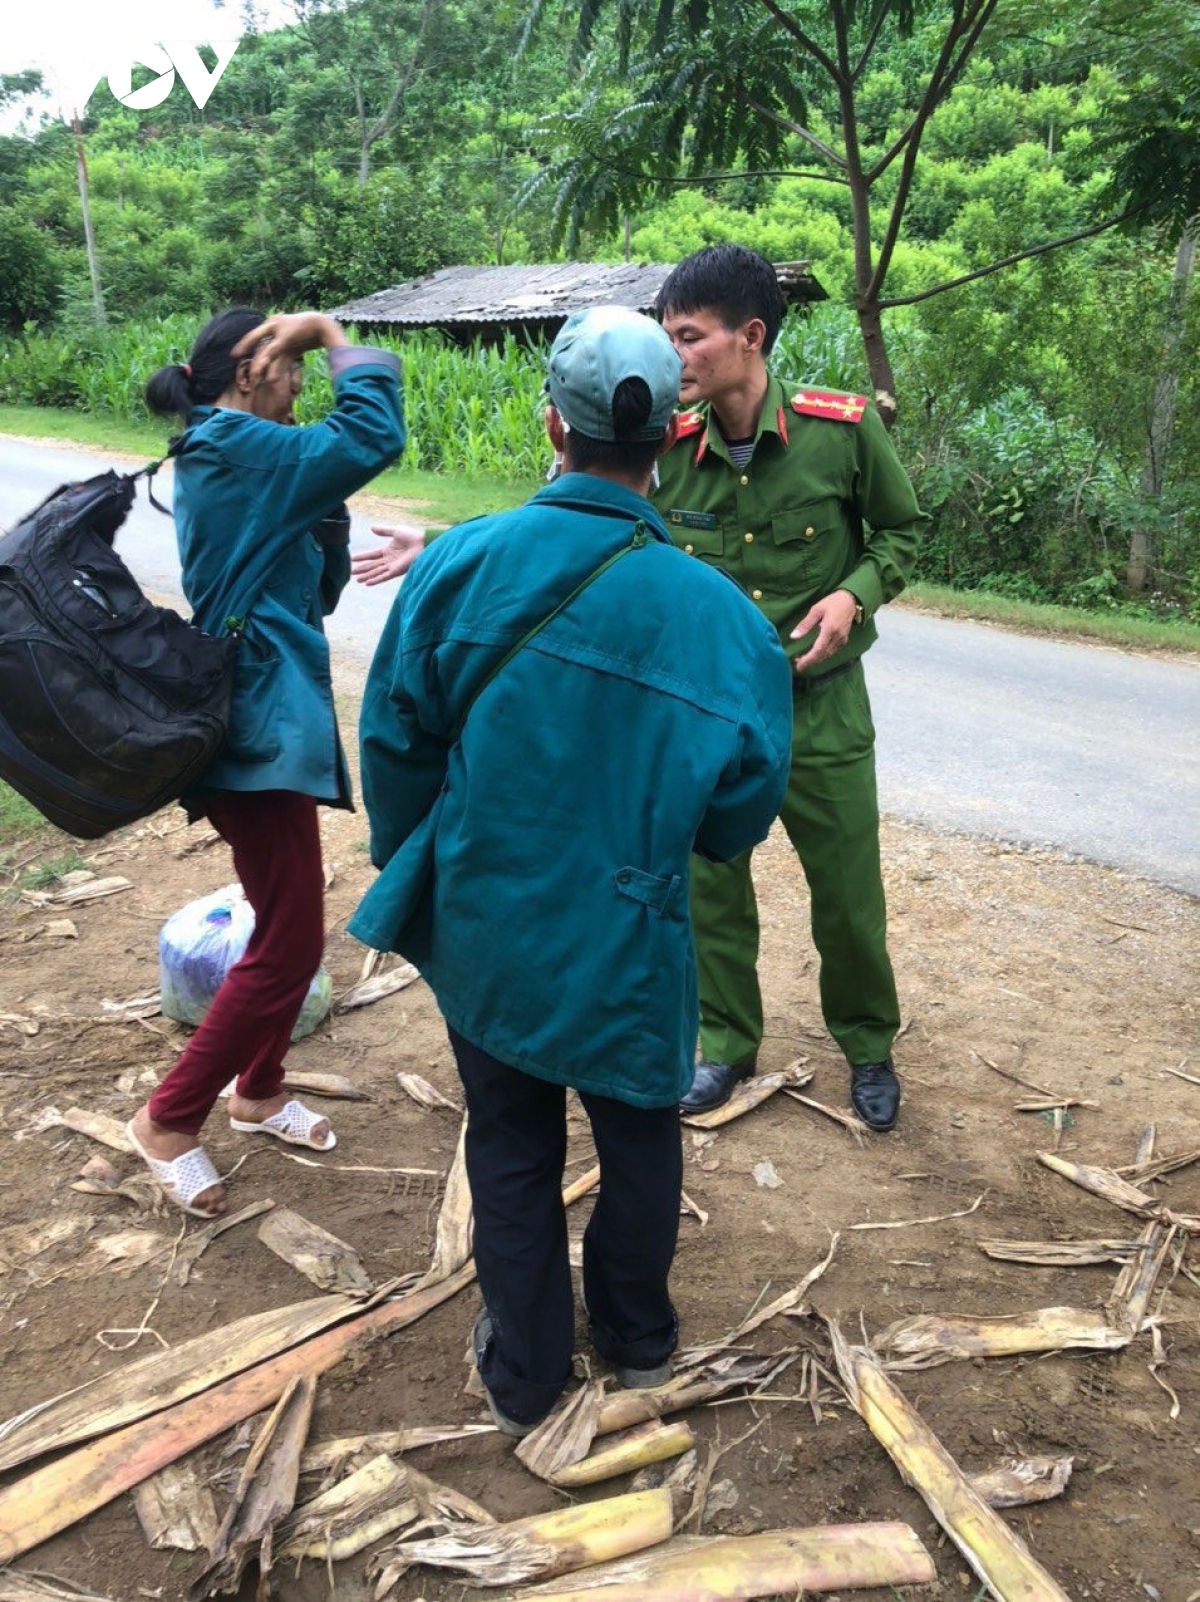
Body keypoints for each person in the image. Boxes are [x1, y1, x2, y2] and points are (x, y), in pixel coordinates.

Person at [350, 307, 792, 1435]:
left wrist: (426, 861)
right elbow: (740, 809)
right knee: (640, 1128)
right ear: (671, 435)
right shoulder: (725, 619)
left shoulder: (459, 563)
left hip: (489, 916)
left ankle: (527, 1372)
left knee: (508, 1136)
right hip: (633, 931)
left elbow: (397, 745)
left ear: (553, 421)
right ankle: (639, 1340)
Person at [126, 309, 405, 1218]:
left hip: (272, 721)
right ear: (247, 373)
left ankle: (260, 1090)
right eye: (287, 365)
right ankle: (168, 1120)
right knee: (288, 940)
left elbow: (317, 593)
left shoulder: (246, 449)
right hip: (252, 730)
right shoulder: (234, 442)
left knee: (289, 922)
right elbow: (374, 430)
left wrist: (322, 500)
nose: (299, 378)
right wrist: (328, 331)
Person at [652, 244, 929, 1132]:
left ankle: (868, 1046)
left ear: (750, 336)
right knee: (711, 885)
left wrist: (855, 593)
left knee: (848, 895)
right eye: (667, 338)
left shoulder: (839, 431)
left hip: (821, 708)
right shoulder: (669, 451)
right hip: (709, 716)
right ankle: (726, 1043)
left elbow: (903, 536)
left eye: (689, 338)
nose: (674, 357)